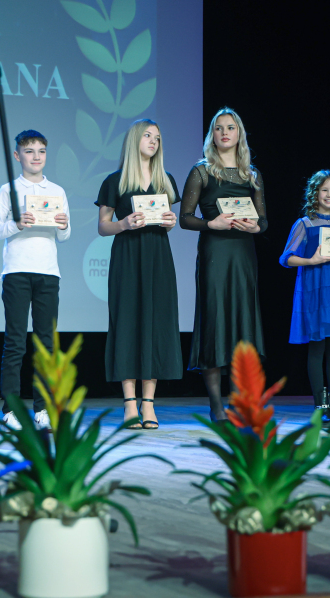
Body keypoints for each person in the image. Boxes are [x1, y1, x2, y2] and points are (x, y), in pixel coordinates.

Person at [181, 108, 267, 421]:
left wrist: (255, 227)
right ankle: (217, 406)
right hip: (215, 254)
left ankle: (240, 403)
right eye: (219, 128)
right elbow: (185, 218)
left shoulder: (252, 174)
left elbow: (264, 221)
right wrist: (210, 224)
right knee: (215, 322)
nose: (225, 133)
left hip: (243, 255)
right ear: (212, 135)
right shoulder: (202, 171)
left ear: (239, 133)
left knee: (242, 324)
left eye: (230, 128)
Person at [97, 119, 182, 429]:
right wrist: (123, 224)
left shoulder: (166, 180)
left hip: (158, 257)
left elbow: (168, 223)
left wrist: (170, 222)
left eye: (157, 137)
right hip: (128, 257)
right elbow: (103, 226)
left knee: (155, 325)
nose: (153, 141)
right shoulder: (115, 180)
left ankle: (149, 404)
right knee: (128, 324)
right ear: (134, 140)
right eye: (147, 135)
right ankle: (129, 404)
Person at [0, 130, 70, 430]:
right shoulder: (8, 190)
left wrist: (63, 225)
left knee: (46, 344)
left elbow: (64, 236)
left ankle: (43, 409)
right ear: (17, 156)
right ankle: (11, 410)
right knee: (15, 342)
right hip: (16, 272)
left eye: (41, 151)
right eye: (29, 151)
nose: (36, 157)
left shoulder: (57, 191)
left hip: (48, 272)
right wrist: (17, 223)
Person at [282, 170, 330, 427]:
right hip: (315, 290)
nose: (329, 194)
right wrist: (312, 260)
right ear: (315, 194)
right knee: (317, 348)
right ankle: (321, 407)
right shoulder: (305, 223)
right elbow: (286, 258)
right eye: (324, 190)